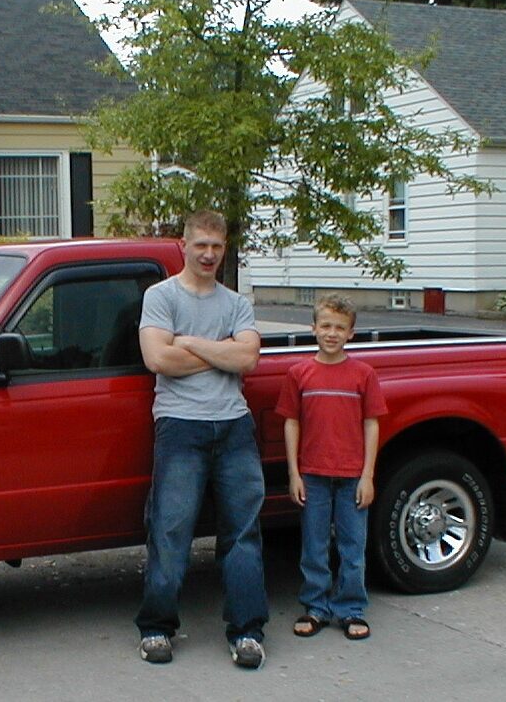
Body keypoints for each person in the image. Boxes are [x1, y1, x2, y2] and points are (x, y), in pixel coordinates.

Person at [134, 209, 268, 669]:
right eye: (200, 245)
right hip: (180, 426)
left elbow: (248, 357)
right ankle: (156, 627)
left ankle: (247, 632)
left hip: (234, 426)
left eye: (216, 246)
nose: (208, 254)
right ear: (184, 246)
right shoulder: (160, 296)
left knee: (243, 534)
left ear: (224, 248)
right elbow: (158, 359)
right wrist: (222, 354)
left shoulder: (236, 302)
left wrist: (188, 342)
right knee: (170, 532)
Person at [275, 293, 387, 641]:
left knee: (352, 546)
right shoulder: (300, 374)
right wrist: (294, 472)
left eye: (340, 327)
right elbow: (291, 422)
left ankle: (351, 608)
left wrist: (368, 475)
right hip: (314, 475)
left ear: (351, 333)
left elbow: (372, 423)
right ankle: (316, 606)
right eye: (326, 325)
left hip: (352, 475)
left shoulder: (363, 374)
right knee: (314, 544)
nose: (332, 333)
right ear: (313, 328)